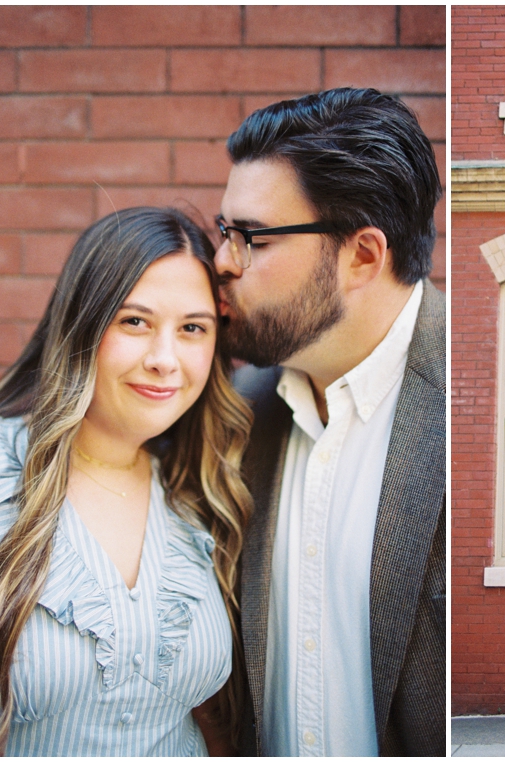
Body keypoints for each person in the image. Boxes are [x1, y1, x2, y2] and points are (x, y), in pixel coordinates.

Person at [0, 208, 253, 756]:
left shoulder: (201, 495)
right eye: (135, 321)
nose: (164, 359)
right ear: (81, 324)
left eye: (192, 329)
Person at [213, 87, 444, 756]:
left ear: (363, 256)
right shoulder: (235, 410)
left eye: (250, 237)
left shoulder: (464, 395)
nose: (223, 261)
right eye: (224, 232)